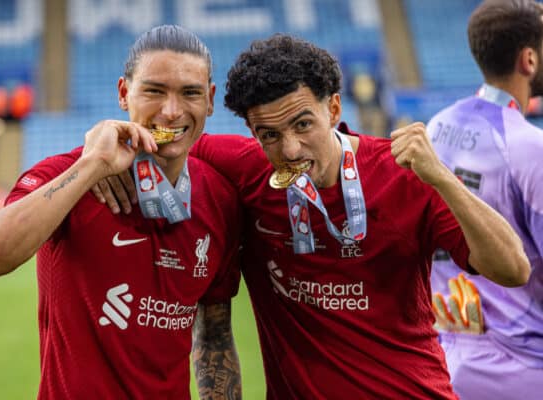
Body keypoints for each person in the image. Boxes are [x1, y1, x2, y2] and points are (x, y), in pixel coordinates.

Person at [97, 33, 530, 399]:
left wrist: (443, 179)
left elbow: (513, 269)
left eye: (303, 125)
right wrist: (101, 147)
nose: (289, 150)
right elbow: (166, 138)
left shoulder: (404, 174)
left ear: (334, 110)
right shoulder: (246, 170)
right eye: (269, 134)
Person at [0, 25, 242, 399]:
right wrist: (91, 166)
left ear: (209, 100)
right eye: (154, 91)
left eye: (189, 93)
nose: (172, 112)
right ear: (124, 94)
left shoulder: (221, 200)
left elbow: (214, 332)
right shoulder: (66, 175)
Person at [427, 1, 543, 398]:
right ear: (528, 59)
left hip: (447, 361)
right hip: (524, 372)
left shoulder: (437, 127)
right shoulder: (530, 148)